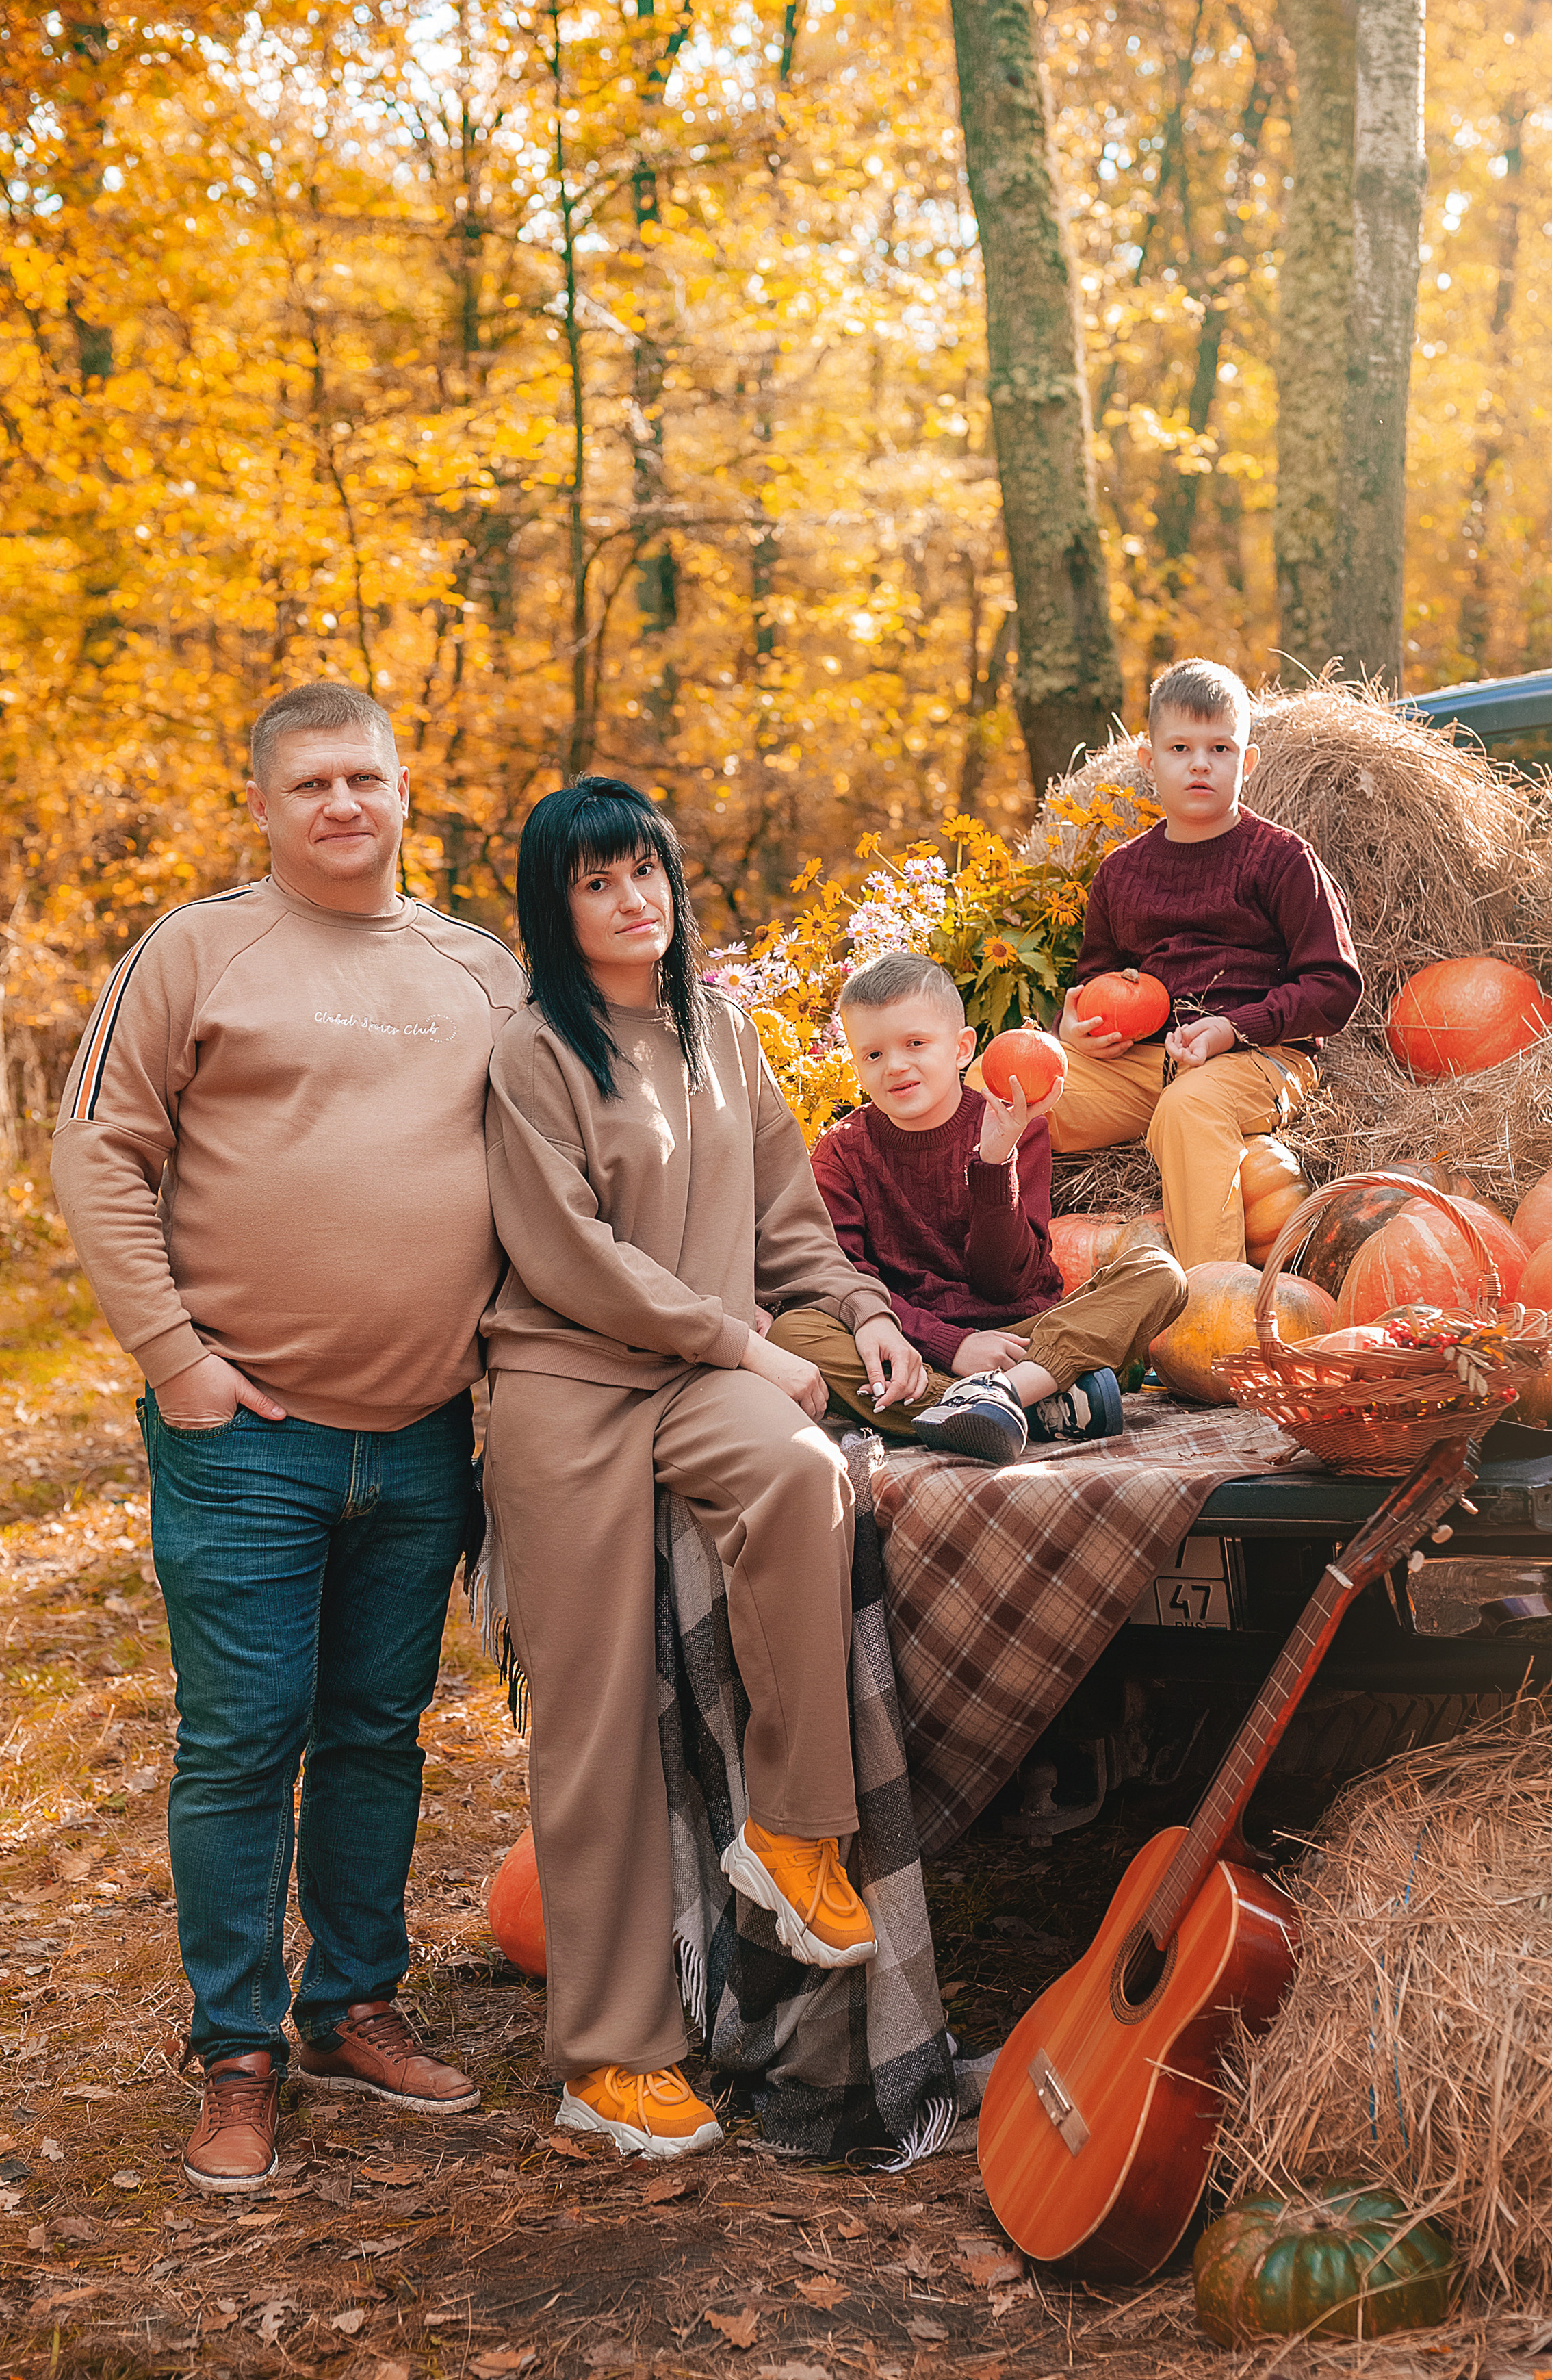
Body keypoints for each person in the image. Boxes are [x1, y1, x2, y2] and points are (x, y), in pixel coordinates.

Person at [51, 681, 525, 2196]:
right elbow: (99, 1152)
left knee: (378, 1734)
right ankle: (237, 2055)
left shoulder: (479, 971)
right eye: (311, 782)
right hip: (246, 1430)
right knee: (242, 1740)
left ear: (405, 795)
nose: (342, 804)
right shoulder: (197, 950)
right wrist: (174, 1359)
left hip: (427, 1435)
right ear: (262, 803)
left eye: (366, 779)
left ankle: (354, 2008)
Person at [482, 774, 928, 2162]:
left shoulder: (722, 1031)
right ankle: (608, 2057)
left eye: (649, 872)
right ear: (559, 913)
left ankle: (792, 1836)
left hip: (700, 1381)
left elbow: (788, 1220)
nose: (636, 900)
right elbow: (568, 1257)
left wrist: (859, 1316)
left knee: (807, 1475)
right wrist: (737, 1339)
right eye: (599, 882)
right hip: (567, 1390)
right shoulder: (531, 1054)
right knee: (596, 1712)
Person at [770, 952, 1187, 1466]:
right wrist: (951, 1346)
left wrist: (994, 1162)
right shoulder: (841, 1151)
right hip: (915, 1346)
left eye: (915, 1044)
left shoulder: (1014, 1125)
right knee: (796, 1331)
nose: (895, 1065)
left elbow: (1008, 1283)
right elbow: (844, 1276)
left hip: (1022, 1337)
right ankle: (1033, 1401)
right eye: (872, 1054)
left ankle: (994, 1398)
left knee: (1159, 1272)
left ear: (963, 1048)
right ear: (855, 1063)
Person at [1028, 658, 1362, 1270]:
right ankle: (1002, 1271)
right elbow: (1097, 978)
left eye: (1220, 747)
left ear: (1247, 762)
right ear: (1148, 761)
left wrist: (1236, 1028)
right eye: (1180, 747)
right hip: (1147, 1064)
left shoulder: (1283, 860)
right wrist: (1074, 1028)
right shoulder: (1122, 873)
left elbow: (1333, 985)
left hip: (1259, 1056)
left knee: (1192, 1107)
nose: (1200, 763)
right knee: (1009, 1083)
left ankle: (1213, 1306)